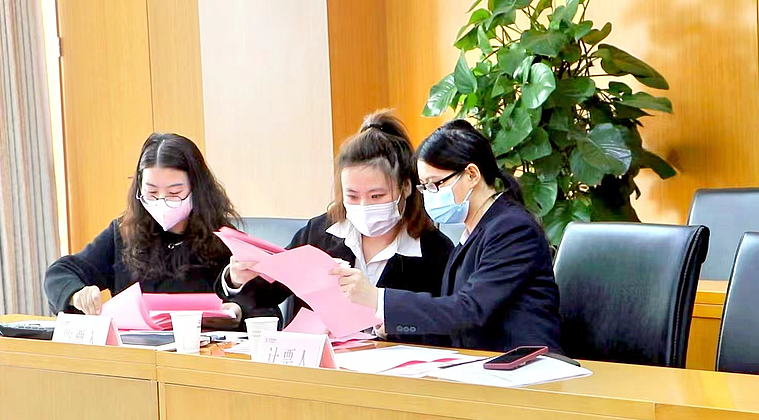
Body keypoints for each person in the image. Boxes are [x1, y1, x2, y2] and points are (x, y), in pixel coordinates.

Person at [223, 110, 454, 342]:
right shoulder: (319, 233)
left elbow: (448, 327)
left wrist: (393, 323)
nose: (363, 205)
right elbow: (263, 294)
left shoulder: (434, 250)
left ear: (406, 187)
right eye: (352, 196)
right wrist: (237, 279)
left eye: (377, 196)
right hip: (322, 359)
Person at [336, 119, 562, 352]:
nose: (429, 195)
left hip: (527, 363)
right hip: (482, 363)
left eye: (435, 184)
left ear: (472, 174)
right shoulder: (472, 231)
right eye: (424, 187)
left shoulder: (513, 229)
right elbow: (452, 324)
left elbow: (470, 310)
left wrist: (378, 299)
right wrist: (392, 327)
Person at [44, 133, 246, 327]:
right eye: (151, 192)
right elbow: (61, 272)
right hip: (134, 347)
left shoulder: (222, 238)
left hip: (200, 347)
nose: (161, 201)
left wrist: (237, 307)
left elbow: (256, 302)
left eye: (174, 193)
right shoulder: (125, 233)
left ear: (197, 190)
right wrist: (77, 294)